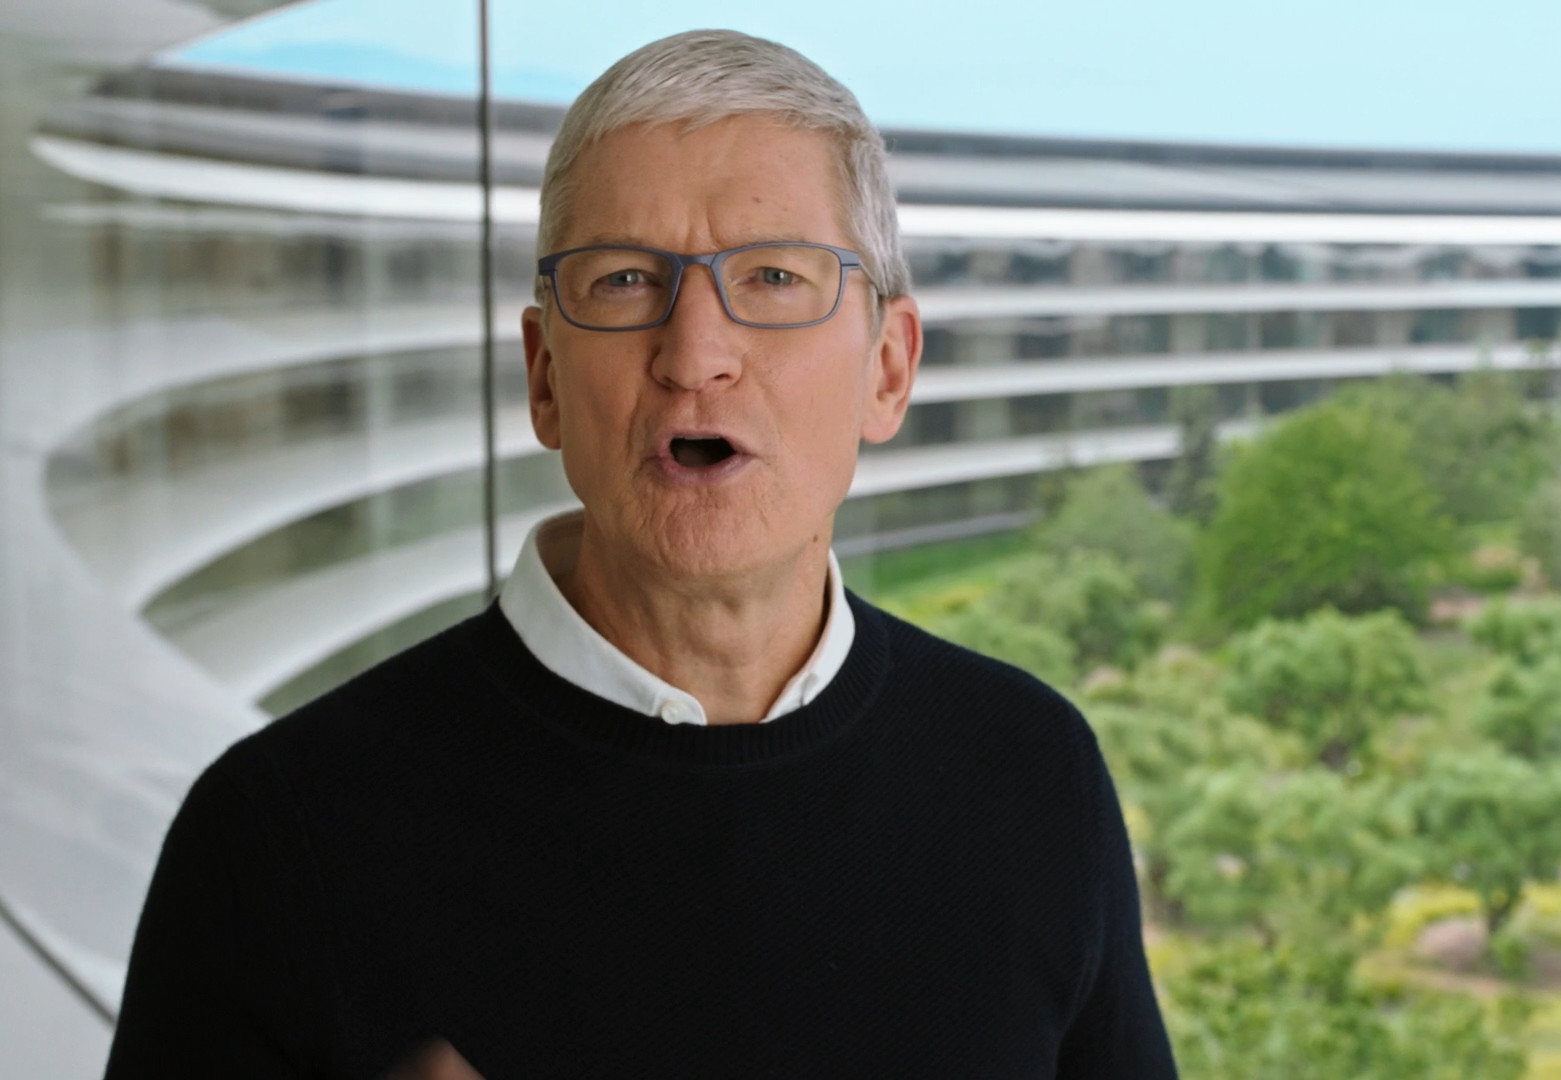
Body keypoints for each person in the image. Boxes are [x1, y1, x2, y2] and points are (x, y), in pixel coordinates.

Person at [102, 28, 1177, 1079]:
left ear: (888, 369)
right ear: (546, 379)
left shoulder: (1031, 774)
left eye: (772, 279)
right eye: (623, 281)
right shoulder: (279, 837)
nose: (696, 355)